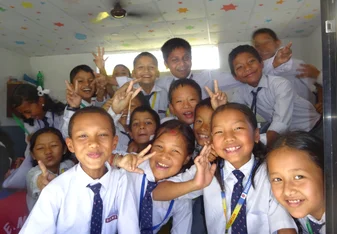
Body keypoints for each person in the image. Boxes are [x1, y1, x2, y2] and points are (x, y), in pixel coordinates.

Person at [152, 103, 297, 234]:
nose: (229, 137)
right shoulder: (207, 170)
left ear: (256, 135)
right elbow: (157, 193)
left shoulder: (271, 173)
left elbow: (283, 224)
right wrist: (195, 184)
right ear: (211, 142)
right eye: (219, 132)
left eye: (238, 128)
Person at [20, 106, 140, 233]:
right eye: (83, 136)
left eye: (103, 134)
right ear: (70, 145)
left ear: (114, 143)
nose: (93, 143)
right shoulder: (55, 191)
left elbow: (129, 229)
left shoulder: (121, 182)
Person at [226, 44, 322, 147]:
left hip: (314, 128)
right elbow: (233, 114)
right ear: (235, 76)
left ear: (262, 64)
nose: (247, 68)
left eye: (251, 61)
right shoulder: (241, 92)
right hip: (291, 136)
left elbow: (280, 123)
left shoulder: (280, 84)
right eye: (239, 67)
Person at [115, 120, 193, 234]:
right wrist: (116, 160)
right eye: (159, 146)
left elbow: (182, 229)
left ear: (186, 158)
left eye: (175, 150)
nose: (164, 155)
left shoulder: (181, 195)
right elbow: (101, 156)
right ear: (151, 146)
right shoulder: (131, 163)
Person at [3, 84, 65, 189]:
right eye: (23, 113)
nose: (27, 116)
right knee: (25, 177)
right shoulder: (30, 122)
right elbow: (30, 149)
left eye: (28, 111)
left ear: (40, 101)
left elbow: (66, 138)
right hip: (41, 161)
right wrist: (27, 159)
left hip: (62, 158)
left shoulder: (61, 115)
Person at [267, 131, 325, 234]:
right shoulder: (304, 211)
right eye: (277, 179)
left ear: (326, 174)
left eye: (299, 177)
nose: (287, 191)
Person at [252, 28, 322, 109]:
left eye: (267, 42)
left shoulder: (295, 64)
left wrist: (321, 103)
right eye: (257, 45)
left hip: (310, 115)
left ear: (277, 43)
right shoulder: (255, 73)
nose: (262, 47)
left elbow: (319, 84)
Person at [26, 127, 74, 211]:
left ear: (64, 149)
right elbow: (36, 179)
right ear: (33, 155)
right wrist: (41, 181)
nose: (48, 151)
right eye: (40, 148)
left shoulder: (69, 165)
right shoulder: (32, 173)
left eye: (53, 145)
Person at [61, 64, 108, 138]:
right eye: (80, 81)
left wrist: (100, 95)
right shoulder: (72, 108)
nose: (87, 84)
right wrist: (73, 107)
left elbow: (97, 108)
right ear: (71, 86)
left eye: (91, 81)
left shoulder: (92, 102)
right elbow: (66, 135)